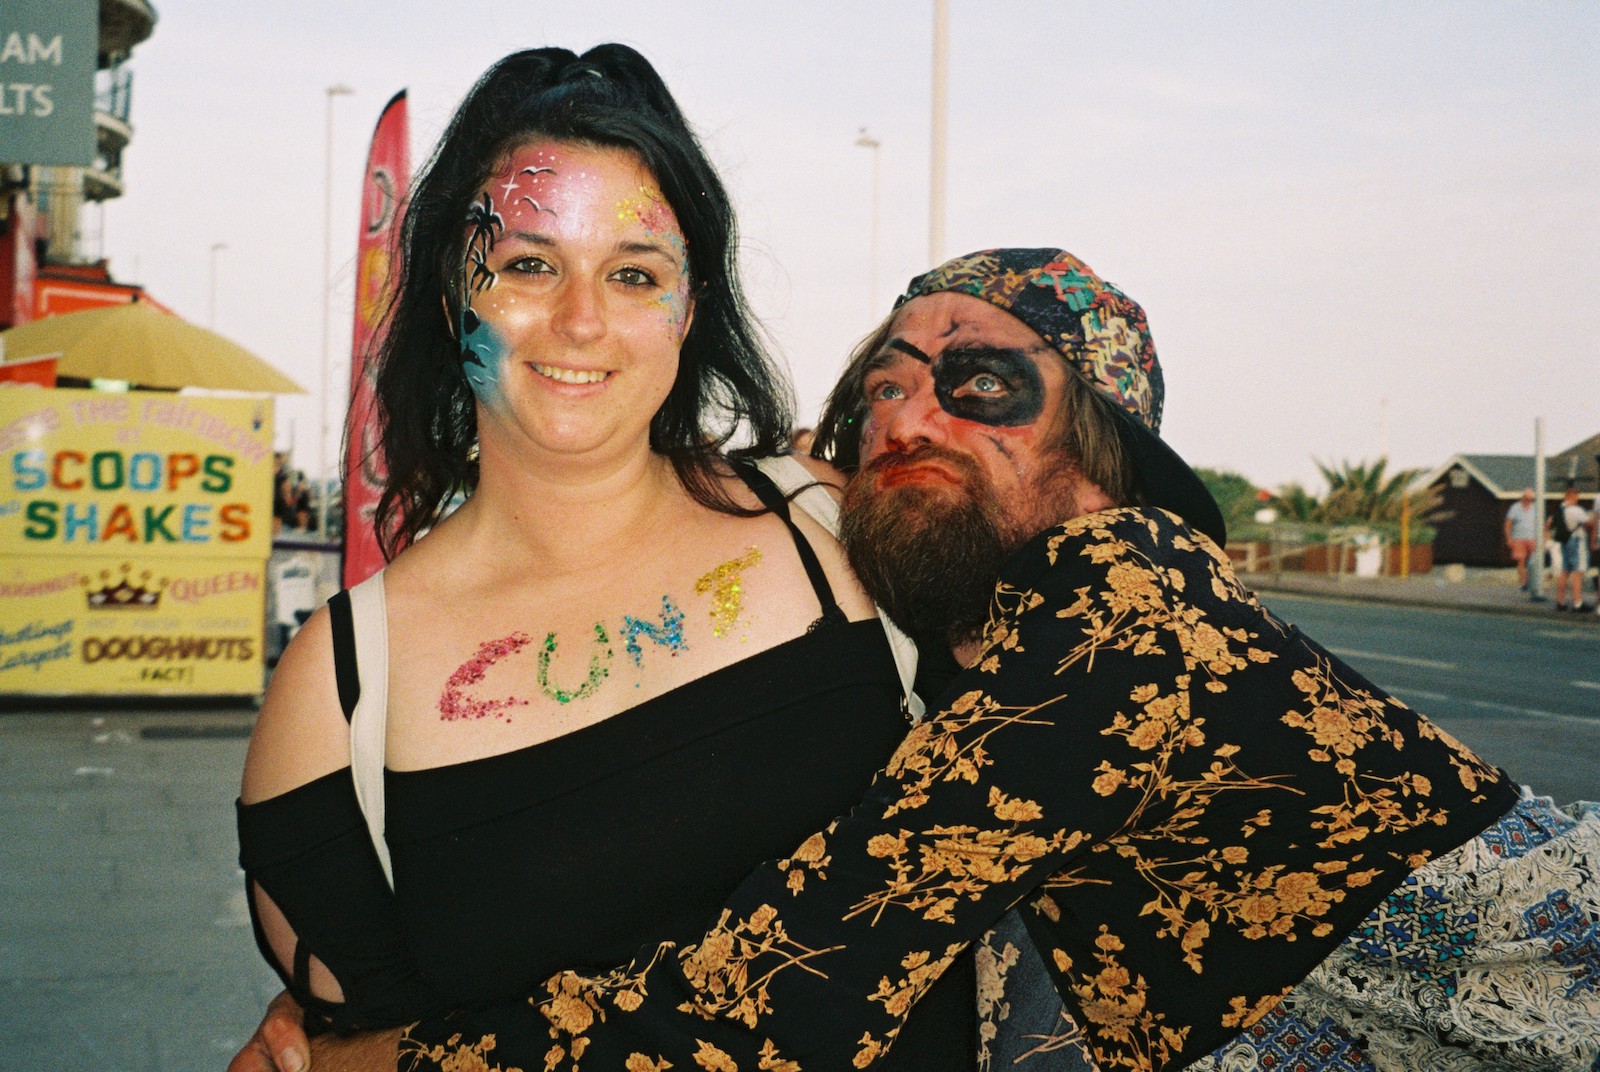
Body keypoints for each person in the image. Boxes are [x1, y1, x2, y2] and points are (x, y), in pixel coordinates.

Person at [256, 247, 1598, 1072]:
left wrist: (391, 1063)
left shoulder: (1126, 612)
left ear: (1106, 442)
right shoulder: (978, 649)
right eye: (880, 386)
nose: (908, 412)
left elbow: (786, 991)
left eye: (982, 382)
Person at [231, 44, 998, 1072]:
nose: (581, 321)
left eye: (633, 273)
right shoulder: (340, 691)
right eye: (528, 264)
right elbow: (359, 1045)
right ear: (454, 296)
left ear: (690, 310)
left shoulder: (835, 527)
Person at [1551, 483, 1595, 611]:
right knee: (1578, 572)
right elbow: (1588, 524)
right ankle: (1577, 603)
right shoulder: (1576, 510)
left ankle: (1560, 601)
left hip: (1564, 541)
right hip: (1577, 541)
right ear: (1573, 496)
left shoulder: (1560, 510)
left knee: (1565, 571)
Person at [1503, 487, 1539, 591]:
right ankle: (1524, 583)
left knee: (1534, 561)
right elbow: (1508, 524)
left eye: (1530, 498)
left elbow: (1541, 524)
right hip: (1518, 538)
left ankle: (1533, 582)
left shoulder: (1535, 507)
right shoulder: (1515, 507)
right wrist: (1509, 538)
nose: (1528, 500)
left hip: (1533, 538)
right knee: (1521, 561)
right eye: (1526, 498)